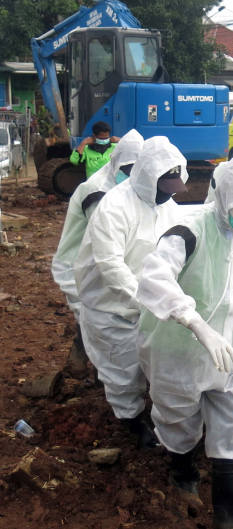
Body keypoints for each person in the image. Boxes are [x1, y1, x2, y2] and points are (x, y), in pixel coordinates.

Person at [136, 151, 233, 529]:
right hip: (176, 348)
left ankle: (230, 516)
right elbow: (154, 279)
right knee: (178, 420)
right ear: (224, 200)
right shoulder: (188, 232)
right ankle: (184, 476)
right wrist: (195, 322)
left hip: (227, 351)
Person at [73, 136, 189, 449]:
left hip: (149, 304)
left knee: (153, 361)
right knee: (121, 368)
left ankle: (150, 409)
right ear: (149, 179)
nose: (169, 197)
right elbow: (112, 267)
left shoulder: (168, 208)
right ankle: (130, 420)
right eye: (165, 189)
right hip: (112, 306)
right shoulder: (114, 207)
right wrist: (149, 301)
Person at [52, 130, 145, 375]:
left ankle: (99, 366)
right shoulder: (99, 193)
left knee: (106, 320)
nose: (132, 174)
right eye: (128, 168)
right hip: (82, 269)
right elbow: (108, 249)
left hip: (102, 267)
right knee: (96, 319)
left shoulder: (124, 184)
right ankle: (94, 366)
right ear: (116, 162)